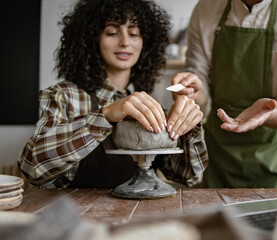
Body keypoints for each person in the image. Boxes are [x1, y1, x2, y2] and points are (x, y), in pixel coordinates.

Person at [18, 0, 208, 189]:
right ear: (92, 37)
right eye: (112, 32)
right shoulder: (64, 96)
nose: (125, 42)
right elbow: (32, 168)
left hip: (138, 216)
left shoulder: (151, 102)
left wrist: (188, 129)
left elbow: (187, 176)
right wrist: (105, 115)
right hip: (77, 215)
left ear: (145, 42)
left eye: (133, 33)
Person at [171, 0, 277, 188]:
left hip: (274, 156)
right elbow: (200, 81)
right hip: (219, 153)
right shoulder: (206, 9)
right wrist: (192, 89)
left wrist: (269, 113)